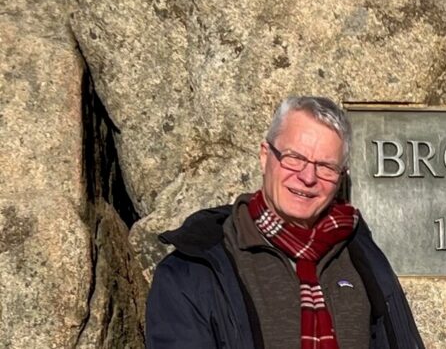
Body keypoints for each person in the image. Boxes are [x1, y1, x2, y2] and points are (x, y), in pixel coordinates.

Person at [146, 96, 423, 349]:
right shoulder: (192, 271)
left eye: (326, 167)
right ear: (265, 156)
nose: (308, 177)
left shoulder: (363, 257)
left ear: (341, 177)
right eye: (295, 158)